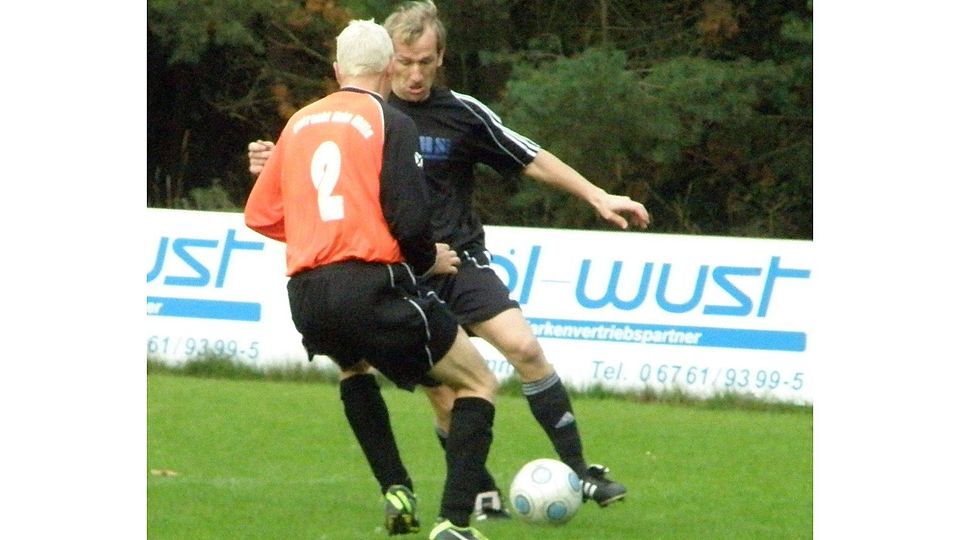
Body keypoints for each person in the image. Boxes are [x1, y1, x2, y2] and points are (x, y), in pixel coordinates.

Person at [250, 0, 649, 521]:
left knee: (523, 347)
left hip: (455, 262)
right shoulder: (357, 117)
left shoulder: (459, 112)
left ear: (440, 59)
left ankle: (580, 470)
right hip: (396, 271)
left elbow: (528, 155)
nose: (416, 75)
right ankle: (476, 500)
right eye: (406, 62)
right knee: (448, 390)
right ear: (388, 61)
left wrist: (596, 194)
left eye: (427, 62)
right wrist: (272, 163)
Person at [244, 19, 497, 540]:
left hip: (308, 291)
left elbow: (262, 215)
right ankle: (455, 523)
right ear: (387, 68)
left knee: (353, 370)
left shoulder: (299, 123)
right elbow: (408, 218)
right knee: (477, 382)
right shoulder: (389, 120)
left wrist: (321, 228)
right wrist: (430, 261)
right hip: (370, 283)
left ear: (337, 70)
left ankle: (396, 489)